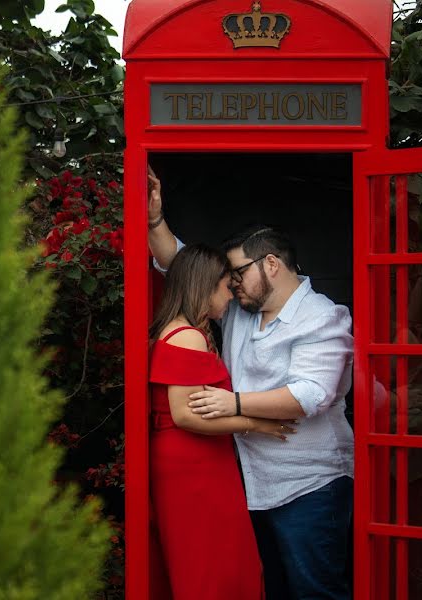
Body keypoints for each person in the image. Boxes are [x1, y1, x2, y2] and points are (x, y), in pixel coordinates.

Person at [147, 166, 355, 600]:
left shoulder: (324, 318)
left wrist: (236, 405)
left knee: (314, 592)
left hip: (309, 488)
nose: (233, 283)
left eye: (239, 272)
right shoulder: (241, 310)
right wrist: (154, 221)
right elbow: (180, 264)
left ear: (272, 264)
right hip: (250, 486)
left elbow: (310, 394)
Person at [149, 243, 295, 600]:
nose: (231, 296)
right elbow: (184, 415)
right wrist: (256, 424)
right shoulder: (186, 336)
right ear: (206, 285)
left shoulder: (189, 332)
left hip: (199, 463)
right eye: (226, 287)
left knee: (219, 562)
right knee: (212, 566)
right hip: (194, 467)